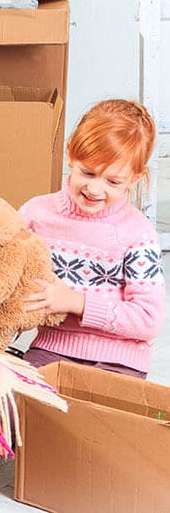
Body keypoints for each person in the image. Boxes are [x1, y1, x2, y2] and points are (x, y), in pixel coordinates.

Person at [21, 99, 165, 378]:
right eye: (87, 172)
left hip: (121, 362)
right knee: (15, 409)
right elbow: (6, 254)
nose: (95, 188)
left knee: (102, 421)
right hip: (51, 350)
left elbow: (148, 319)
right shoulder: (37, 213)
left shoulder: (138, 233)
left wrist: (78, 302)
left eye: (113, 181)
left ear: (135, 178)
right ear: (70, 156)